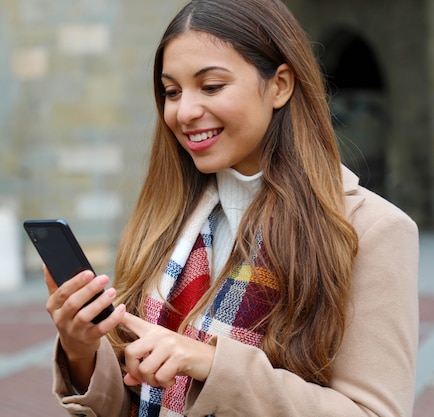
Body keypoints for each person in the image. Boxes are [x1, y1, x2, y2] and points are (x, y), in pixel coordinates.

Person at [43, 0, 420, 416]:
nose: (184, 111)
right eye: (172, 92)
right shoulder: (167, 224)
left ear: (280, 85)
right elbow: (136, 401)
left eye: (211, 86)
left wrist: (209, 363)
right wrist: (81, 350)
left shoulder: (372, 230)